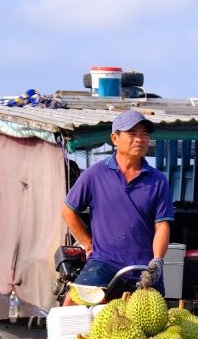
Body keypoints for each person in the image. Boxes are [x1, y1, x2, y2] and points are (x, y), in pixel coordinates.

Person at [61, 110, 174, 299]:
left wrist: (157, 260)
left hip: (144, 267)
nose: (139, 139)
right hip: (104, 263)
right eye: (132, 134)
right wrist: (88, 245)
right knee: (72, 304)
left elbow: (162, 225)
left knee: (158, 323)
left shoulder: (158, 180)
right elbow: (67, 211)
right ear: (115, 138)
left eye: (144, 135)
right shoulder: (94, 174)